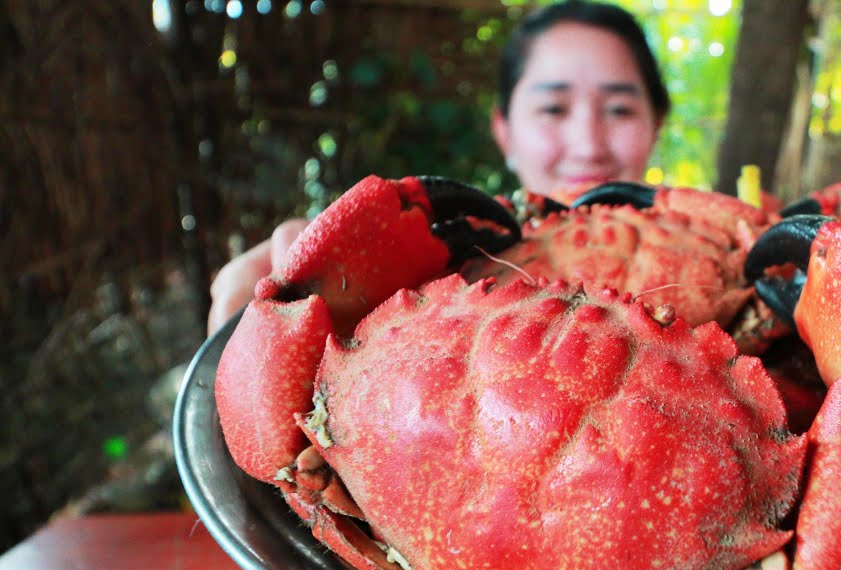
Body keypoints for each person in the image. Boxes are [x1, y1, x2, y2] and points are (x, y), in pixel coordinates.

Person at [207, 0, 670, 334]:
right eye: (553, 108)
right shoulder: (419, 273)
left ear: (657, 124)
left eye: (620, 110)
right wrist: (292, 296)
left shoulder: (734, 259)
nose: (589, 145)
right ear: (503, 128)